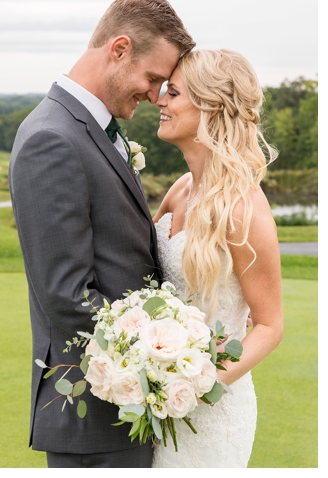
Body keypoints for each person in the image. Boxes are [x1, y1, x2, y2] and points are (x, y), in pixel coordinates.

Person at [9, 0, 195, 468]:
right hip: (92, 416)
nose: (156, 96)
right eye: (154, 78)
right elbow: (67, 293)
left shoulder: (94, 130)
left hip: (125, 409)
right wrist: (164, 357)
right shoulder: (51, 138)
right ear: (119, 50)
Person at [150, 49, 282, 468]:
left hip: (209, 415)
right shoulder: (179, 189)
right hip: (154, 408)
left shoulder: (242, 208)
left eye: (173, 93)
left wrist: (193, 385)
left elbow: (269, 325)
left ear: (210, 106)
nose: (159, 101)